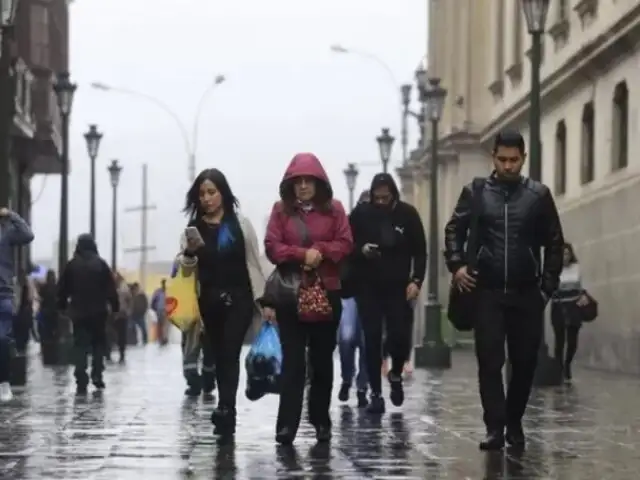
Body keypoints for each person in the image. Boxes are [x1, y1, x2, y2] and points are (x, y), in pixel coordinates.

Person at [444, 130, 564, 450]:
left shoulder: (538, 196)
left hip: (527, 293)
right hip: (488, 291)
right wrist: (456, 266)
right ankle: (495, 426)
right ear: (493, 158)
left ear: (523, 159)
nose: (508, 166)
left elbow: (554, 243)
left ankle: (515, 421)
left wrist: (546, 289)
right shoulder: (476, 192)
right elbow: (454, 228)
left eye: (514, 160)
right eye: (502, 159)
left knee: (525, 363)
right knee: (490, 360)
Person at [263, 152, 353, 445]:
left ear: (319, 183)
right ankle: (287, 425)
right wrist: (302, 255)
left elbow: (345, 243)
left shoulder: (335, 210)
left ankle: (320, 419)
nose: (302, 186)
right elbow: (273, 247)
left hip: (326, 292)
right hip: (291, 295)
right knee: (293, 362)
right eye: (297, 181)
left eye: (308, 181)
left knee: (322, 360)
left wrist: (321, 253)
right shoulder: (281, 212)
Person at [176, 168, 266, 436]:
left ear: (223, 194)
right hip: (209, 301)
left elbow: (253, 263)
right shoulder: (193, 230)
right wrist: (190, 254)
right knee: (217, 353)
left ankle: (227, 406)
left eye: (212, 192)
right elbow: (186, 270)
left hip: (239, 299)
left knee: (230, 351)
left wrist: (264, 301)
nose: (207, 198)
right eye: (202, 193)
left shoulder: (241, 225)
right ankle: (226, 406)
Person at [349, 173, 426, 414]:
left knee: (399, 335)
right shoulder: (361, 214)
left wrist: (416, 280)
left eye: (386, 197)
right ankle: (376, 393)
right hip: (368, 286)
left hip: (398, 287)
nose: (381, 202)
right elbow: (346, 243)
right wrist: (361, 249)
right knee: (371, 339)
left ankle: (395, 374)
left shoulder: (408, 214)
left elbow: (420, 251)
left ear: (393, 195)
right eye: (377, 198)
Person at [58, 234, 119, 395]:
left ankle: (81, 376)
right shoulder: (101, 264)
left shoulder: (72, 265)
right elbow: (111, 289)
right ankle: (97, 374)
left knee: (80, 344)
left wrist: (62, 306)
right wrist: (115, 307)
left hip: (78, 312)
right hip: (99, 311)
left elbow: (62, 289)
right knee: (98, 344)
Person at [338, 189, 370, 408]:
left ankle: (362, 386)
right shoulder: (348, 227)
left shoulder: (384, 228)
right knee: (347, 337)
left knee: (369, 343)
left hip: (372, 293)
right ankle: (347, 377)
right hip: (349, 291)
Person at [0, 207, 33, 401]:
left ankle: (3, 383)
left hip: (3, 294)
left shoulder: (6, 234)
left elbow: (28, 235)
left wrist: (11, 215)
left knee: (2, 339)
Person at [551, 243, 589, 383]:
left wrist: (584, 295)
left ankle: (567, 364)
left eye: (567, 254)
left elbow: (581, 286)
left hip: (573, 305)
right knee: (559, 339)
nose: (565, 257)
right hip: (559, 305)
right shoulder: (554, 269)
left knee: (573, 340)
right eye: (562, 254)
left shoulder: (576, 268)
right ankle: (559, 368)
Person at [114, 272, 132, 363]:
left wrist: (127, 310)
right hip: (113, 314)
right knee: (113, 334)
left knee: (121, 335)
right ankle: (110, 353)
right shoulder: (111, 287)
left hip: (121, 314)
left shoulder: (124, 288)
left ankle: (122, 353)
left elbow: (129, 300)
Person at [150, 279, 169, 345]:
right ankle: (161, 338)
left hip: (166, 310)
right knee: (160, 325)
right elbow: (153, 301)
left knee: (165, 325)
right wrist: (154, 309)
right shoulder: (158, 292)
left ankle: (164, 338)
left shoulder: (168, 291)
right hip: (160, 310)